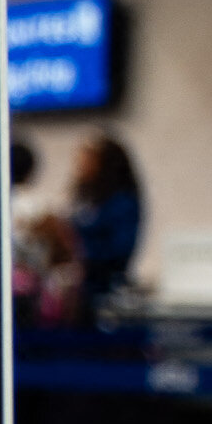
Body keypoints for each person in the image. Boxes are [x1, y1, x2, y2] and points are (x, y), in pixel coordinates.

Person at [55, 132, 146, 329]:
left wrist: (81, 254)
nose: (81, 165)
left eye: (88, 159)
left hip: (105, 293)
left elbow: (120, 249)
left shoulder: (122, 202)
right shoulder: (83, 199)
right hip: (78, 292)